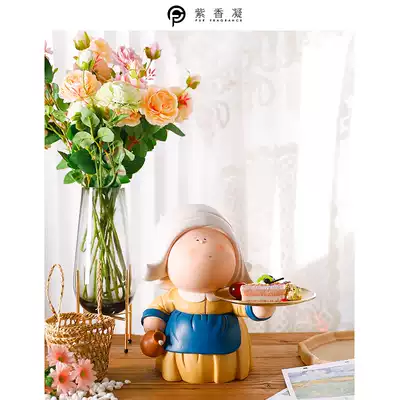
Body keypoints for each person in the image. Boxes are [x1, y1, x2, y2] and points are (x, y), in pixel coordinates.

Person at [141, 204, 276, 383]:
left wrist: (262, 306)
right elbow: (158, 308)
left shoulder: (229, 295)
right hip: (178, 349)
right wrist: (153, 323)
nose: (202, 243)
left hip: (227, 351)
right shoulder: (175, 297)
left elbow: (245, 307)